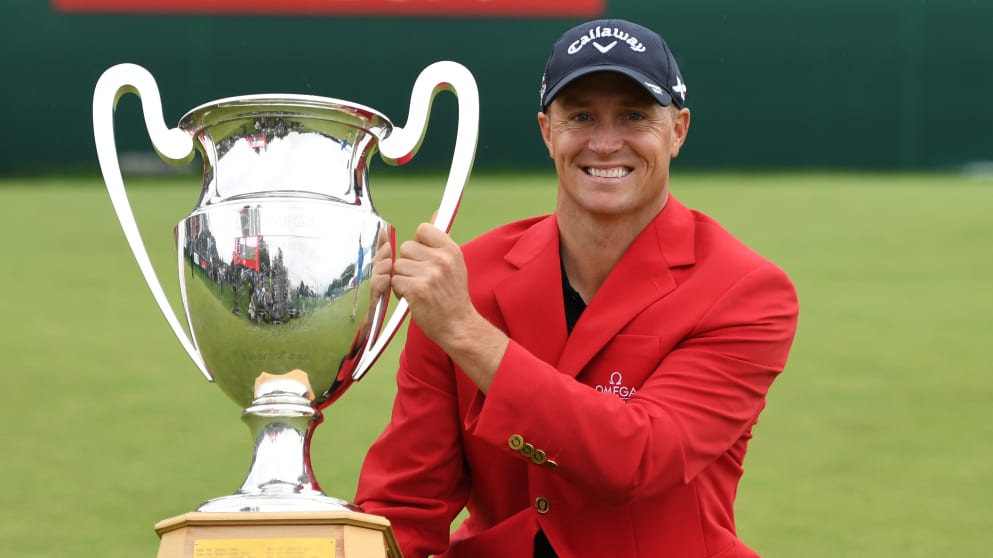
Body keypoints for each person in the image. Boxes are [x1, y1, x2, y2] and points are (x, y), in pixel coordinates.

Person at [355, 18, 799, 558]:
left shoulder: (746, 291)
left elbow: (638, 456)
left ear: (678, 130)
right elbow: (404, 506)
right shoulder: (467, 279)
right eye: (581, 116)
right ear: (547, 131)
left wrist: (466, 332)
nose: (606, 143)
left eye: (634, 116)